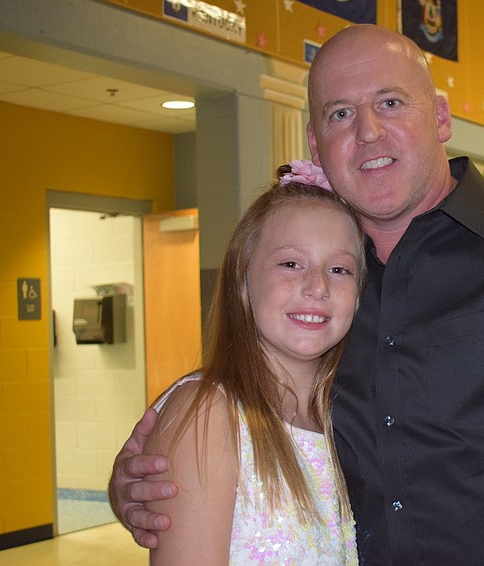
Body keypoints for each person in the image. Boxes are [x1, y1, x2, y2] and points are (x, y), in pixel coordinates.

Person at [110, 24, 484, 564]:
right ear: (314, 144)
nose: (368, 131)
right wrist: (143, 483)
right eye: (340, 114)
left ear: (439, 117)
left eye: (390, 101)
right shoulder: (323, 291)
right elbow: (248, 415)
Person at [141, 165, 366, 564]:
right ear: (243, 279)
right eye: (291, 264)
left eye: (339, 269)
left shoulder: (345, 417)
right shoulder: (209, 415)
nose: (318, 286)